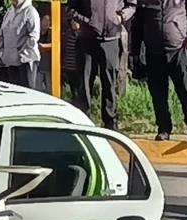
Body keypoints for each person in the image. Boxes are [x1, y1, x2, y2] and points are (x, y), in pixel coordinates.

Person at [132, 0, 187, 144]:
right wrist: (135, 53)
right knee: (158, 95)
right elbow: (137, 27)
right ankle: (164, 129)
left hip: (179, 51)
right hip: (154, 53)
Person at [67, 0, 136, 130]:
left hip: (111, 39)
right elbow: (71, 8)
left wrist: (120, 17)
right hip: (87, 39)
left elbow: (132, 5)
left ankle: (110, 123)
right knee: (85, 82)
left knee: (110, 82)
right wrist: (82, 21)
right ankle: (83, 122)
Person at [0, 0, 40, 89]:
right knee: (14, 93)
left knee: (27, 92)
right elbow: (2, 33)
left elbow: (34, 36)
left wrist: (21, 53)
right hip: (10, 60)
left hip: (25, 61)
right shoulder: (9, 12)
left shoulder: (30, 11)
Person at [62, 17, 82, 106]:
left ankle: (80, 103)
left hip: (78, 66)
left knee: (79, 86)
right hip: (69, 65)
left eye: (76, 22)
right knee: (72, 85)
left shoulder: (81, 34)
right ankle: (74, 100)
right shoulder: (68, 33)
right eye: (72, 22)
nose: (74, 23)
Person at [37, 13, 51, 92]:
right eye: (45, 20)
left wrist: (44, 46)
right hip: (38, 66)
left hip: (49, 66)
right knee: (37, 89)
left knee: (49, 89)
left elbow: (55, 44)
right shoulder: (36, 33)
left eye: (48, 21)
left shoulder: (51, 33)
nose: (46, 23)